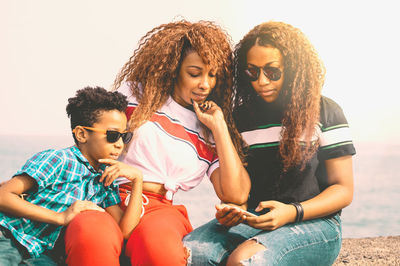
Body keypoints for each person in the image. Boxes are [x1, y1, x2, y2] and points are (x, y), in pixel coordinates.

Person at [183, 21, 356, 265]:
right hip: (254, 219)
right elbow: (241, 193)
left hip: (315, 225)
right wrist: (233, 212)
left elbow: (343, 190)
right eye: (251, 72)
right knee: (188, 254)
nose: (261, 81)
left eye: (272, 71)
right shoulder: (241, 118)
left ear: (293, 68)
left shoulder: (325, 112)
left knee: (246, 261)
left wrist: (291, 212)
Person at [112, 20, 250, 265]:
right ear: (175, 69)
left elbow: (235, 194)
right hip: (109, 195)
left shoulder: (208, 129)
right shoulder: (136, 95)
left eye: (213, 75)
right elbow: (94, 135)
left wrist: (219, 127)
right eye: (194, 73)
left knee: (159, 253)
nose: (205, 84)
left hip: (158, 210)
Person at [0, 87, 143, 266]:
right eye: (113, 136)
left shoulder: (105, 178)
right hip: (9, 235)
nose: (120, 145)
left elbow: (124, 230)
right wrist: (60, 217)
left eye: (124, 136)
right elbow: (4, 196)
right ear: (82, 134)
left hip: (38, 251)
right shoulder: (58, 160)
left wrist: (137, 180)